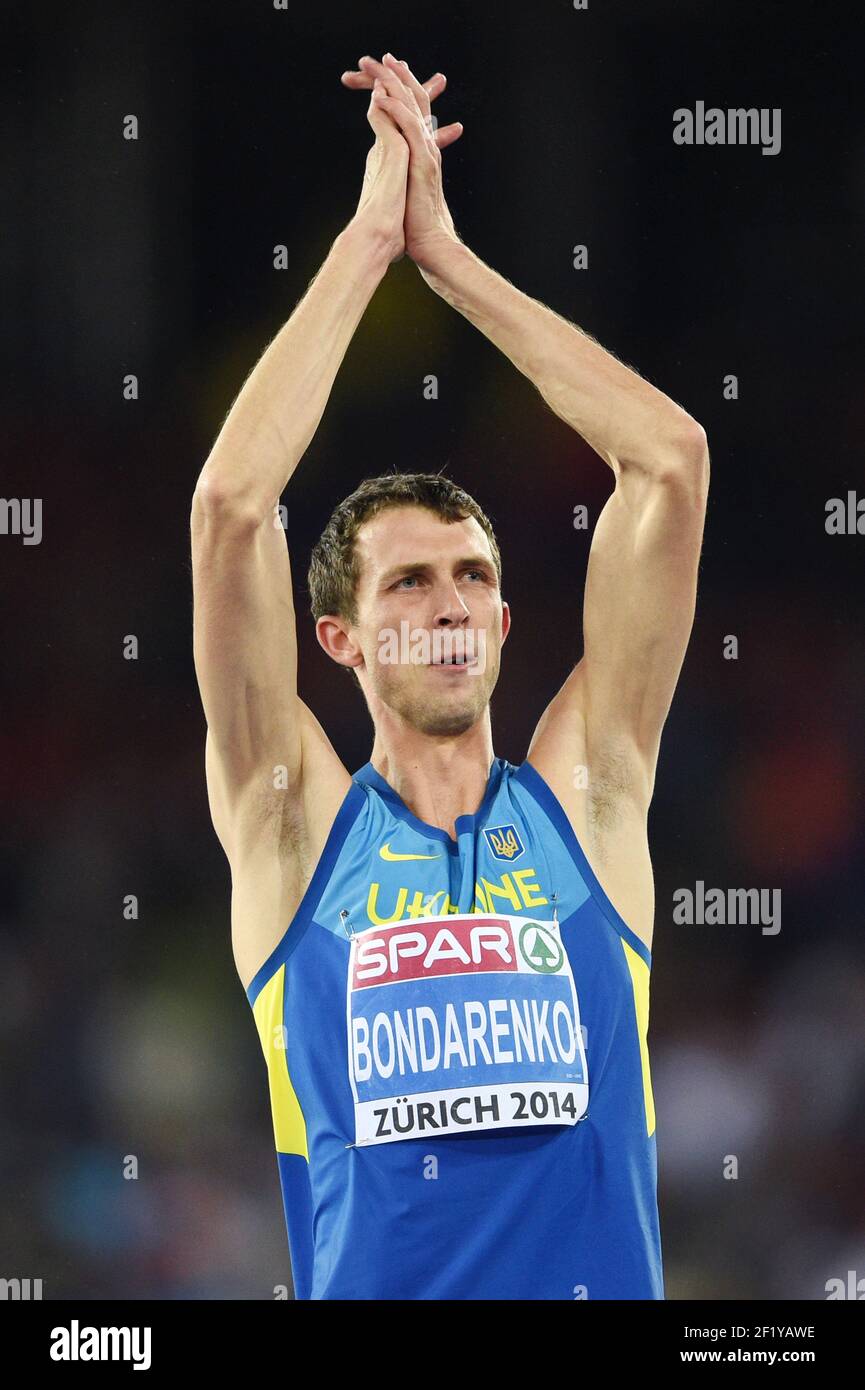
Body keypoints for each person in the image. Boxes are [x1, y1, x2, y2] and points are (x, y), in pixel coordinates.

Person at [190, 52, 709, 1300]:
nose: (448, 605)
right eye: (408, 583)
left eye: (472, 577)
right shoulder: (293, 824)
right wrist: (371, 242)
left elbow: (669, 464)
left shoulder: (590, 799)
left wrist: (450, 260)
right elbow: (231, 506)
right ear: (340, 640)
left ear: (506, 615)